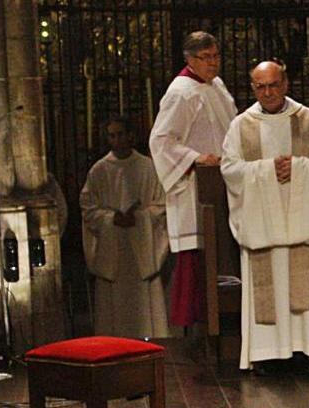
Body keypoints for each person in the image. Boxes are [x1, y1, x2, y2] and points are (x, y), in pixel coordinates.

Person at [220, 61, 309, 374]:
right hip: (264, 229)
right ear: (253, 89)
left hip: (303, 227)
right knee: (268, 283)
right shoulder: (241, 125)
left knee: (303, 283)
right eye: (260, 86)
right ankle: (267, 353)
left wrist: (300, 167)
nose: (268, 92)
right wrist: (267, 170)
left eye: (273, 84)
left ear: (285, 84)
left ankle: (307, 351)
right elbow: (230, 169)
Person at [149, 31, 237, 329]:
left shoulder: (216, 85)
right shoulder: (180, 92)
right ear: (189, 59)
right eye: (206, 57)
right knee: (196, 259)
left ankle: (222, 319)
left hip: (222, 180)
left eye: (216, 56)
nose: (213, 63)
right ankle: (195, 322)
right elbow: (161, 141)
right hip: (194, 187)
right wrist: (196, 158)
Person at [80, 117, 171, 338]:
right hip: (113, 250)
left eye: (121, 134)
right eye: (112, 135)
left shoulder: (148, 167)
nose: (117, 140)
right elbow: (88, 208)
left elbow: (162, 204)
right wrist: (111, 219)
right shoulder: (99, 170)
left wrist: (139, 218)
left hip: (141, 249)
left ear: (131, 136)